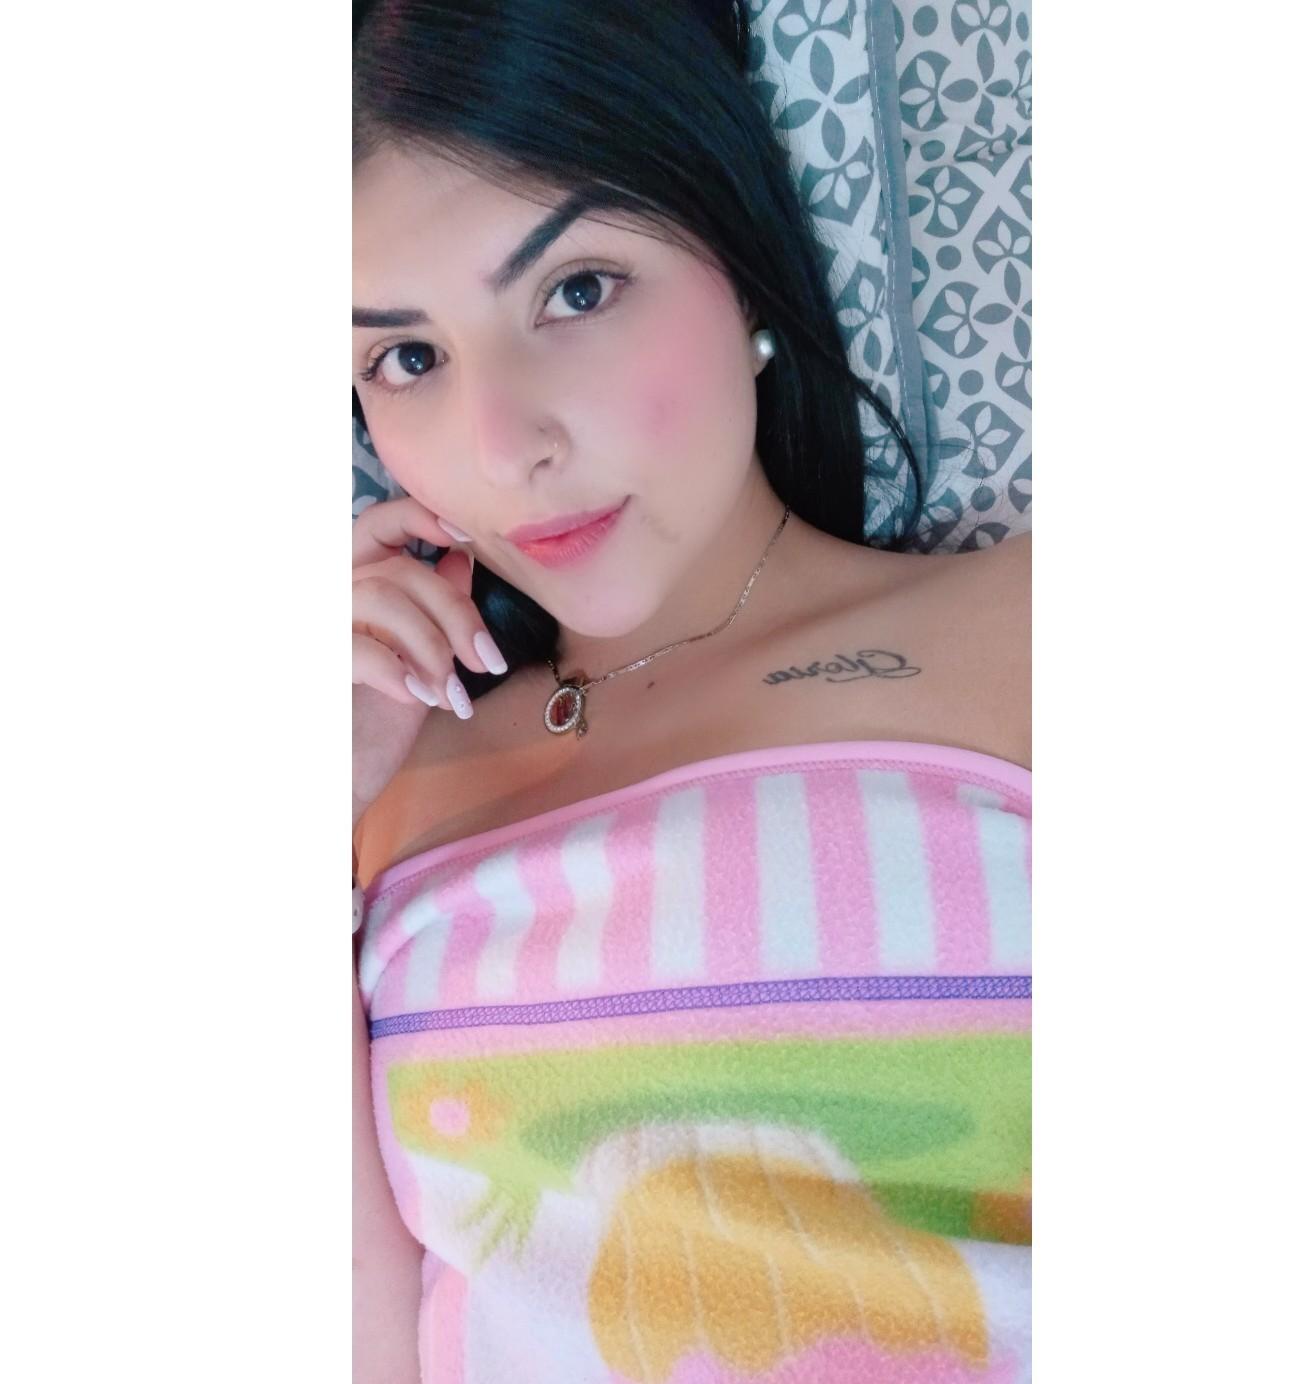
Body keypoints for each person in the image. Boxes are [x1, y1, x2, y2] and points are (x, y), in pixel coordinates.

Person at [351, 2, 1031, 1380]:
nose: (504, 447)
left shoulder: (1031, 629)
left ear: (739, 256)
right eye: (406, 359)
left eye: (577, 291)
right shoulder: (378, 789)